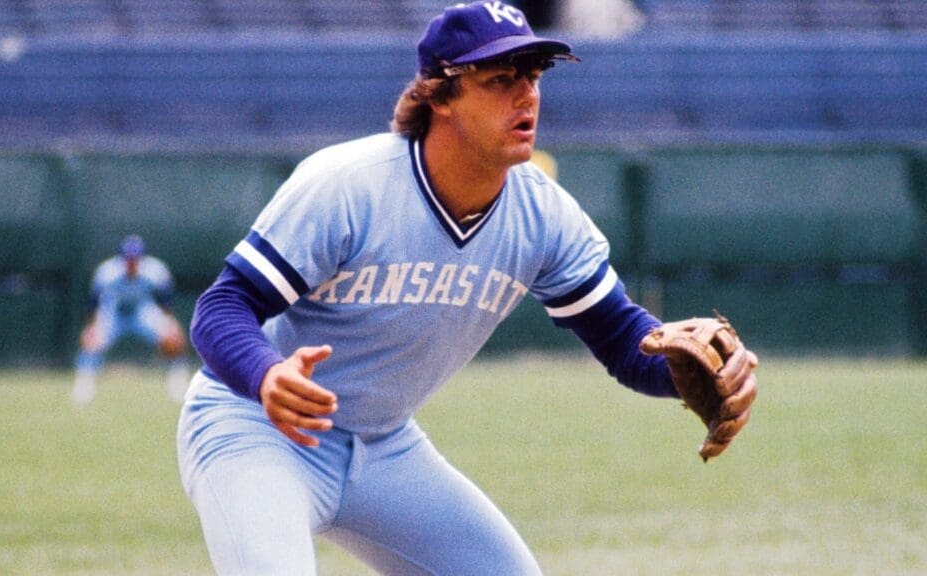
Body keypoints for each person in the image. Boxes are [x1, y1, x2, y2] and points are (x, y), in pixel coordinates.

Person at [177, 2, 756, 574]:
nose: (526, 95)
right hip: (256, 428)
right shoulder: (351, 186)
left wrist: (688, 368)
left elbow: (622, 337)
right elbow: (222, 307)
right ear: (438, 95)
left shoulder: (544, 214)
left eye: (533, 76)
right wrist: (265, 373)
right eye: (500, 79)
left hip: (382, 447)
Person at [72, 234, 189, 406]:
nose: (132, 262)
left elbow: (165, 303)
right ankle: (83, 386)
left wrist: (170, 324)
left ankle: (177, 383)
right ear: (121, 258)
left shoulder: (155, 270)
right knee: (93, 340)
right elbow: (94, 304)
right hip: (113, 310)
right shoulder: (107, 272)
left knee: (171, 338)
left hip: (142, 309)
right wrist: (91, 327)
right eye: (128, 258)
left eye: (135, 258)